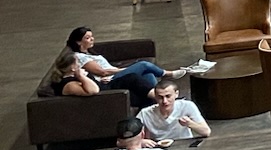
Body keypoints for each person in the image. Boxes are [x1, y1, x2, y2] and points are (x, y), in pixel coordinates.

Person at [46, 28, 181, 102]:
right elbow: (93, 90)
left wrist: (89, 77)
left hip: (105, 82)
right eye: (87, 38)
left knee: (147, 74)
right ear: (72, 67)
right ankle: (163, 88)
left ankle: (159, 98)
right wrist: (82, 77)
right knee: (140, 69)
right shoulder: (69, 83)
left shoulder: (75, 72)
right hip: (107, 90)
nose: (92, 39)